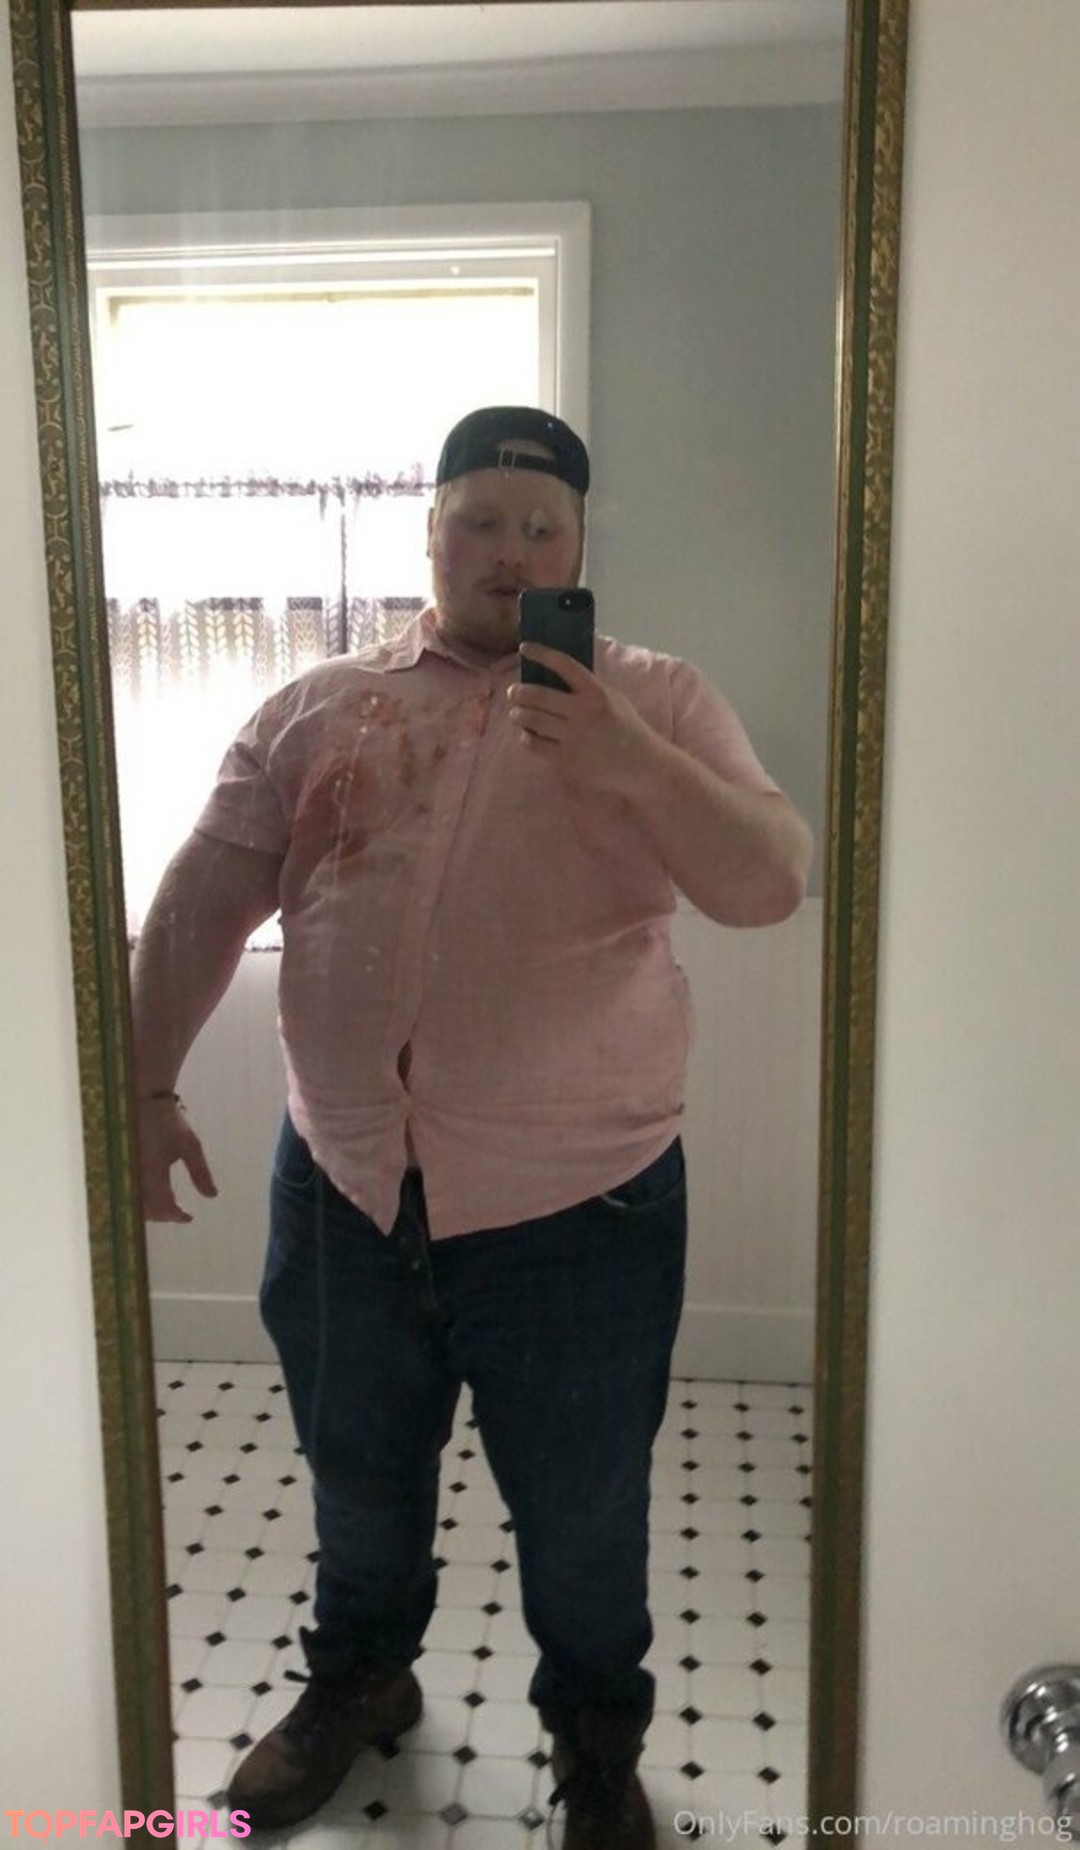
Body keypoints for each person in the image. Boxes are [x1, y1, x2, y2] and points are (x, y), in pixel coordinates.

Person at [133, 406, 812, 1850]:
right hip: (343, 1190)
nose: (512, 552)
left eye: (541, 528)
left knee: (585, 1510)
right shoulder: (317, 705)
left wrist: (627, 757)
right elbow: (202, 899)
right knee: (356, 1476)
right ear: (430, 534)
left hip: (585, 1212)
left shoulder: (657, 699)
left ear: (580, 545)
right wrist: (143, 1088)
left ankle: (595, 1743)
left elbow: (768, 881)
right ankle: (360, 1678)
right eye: (481, 523)